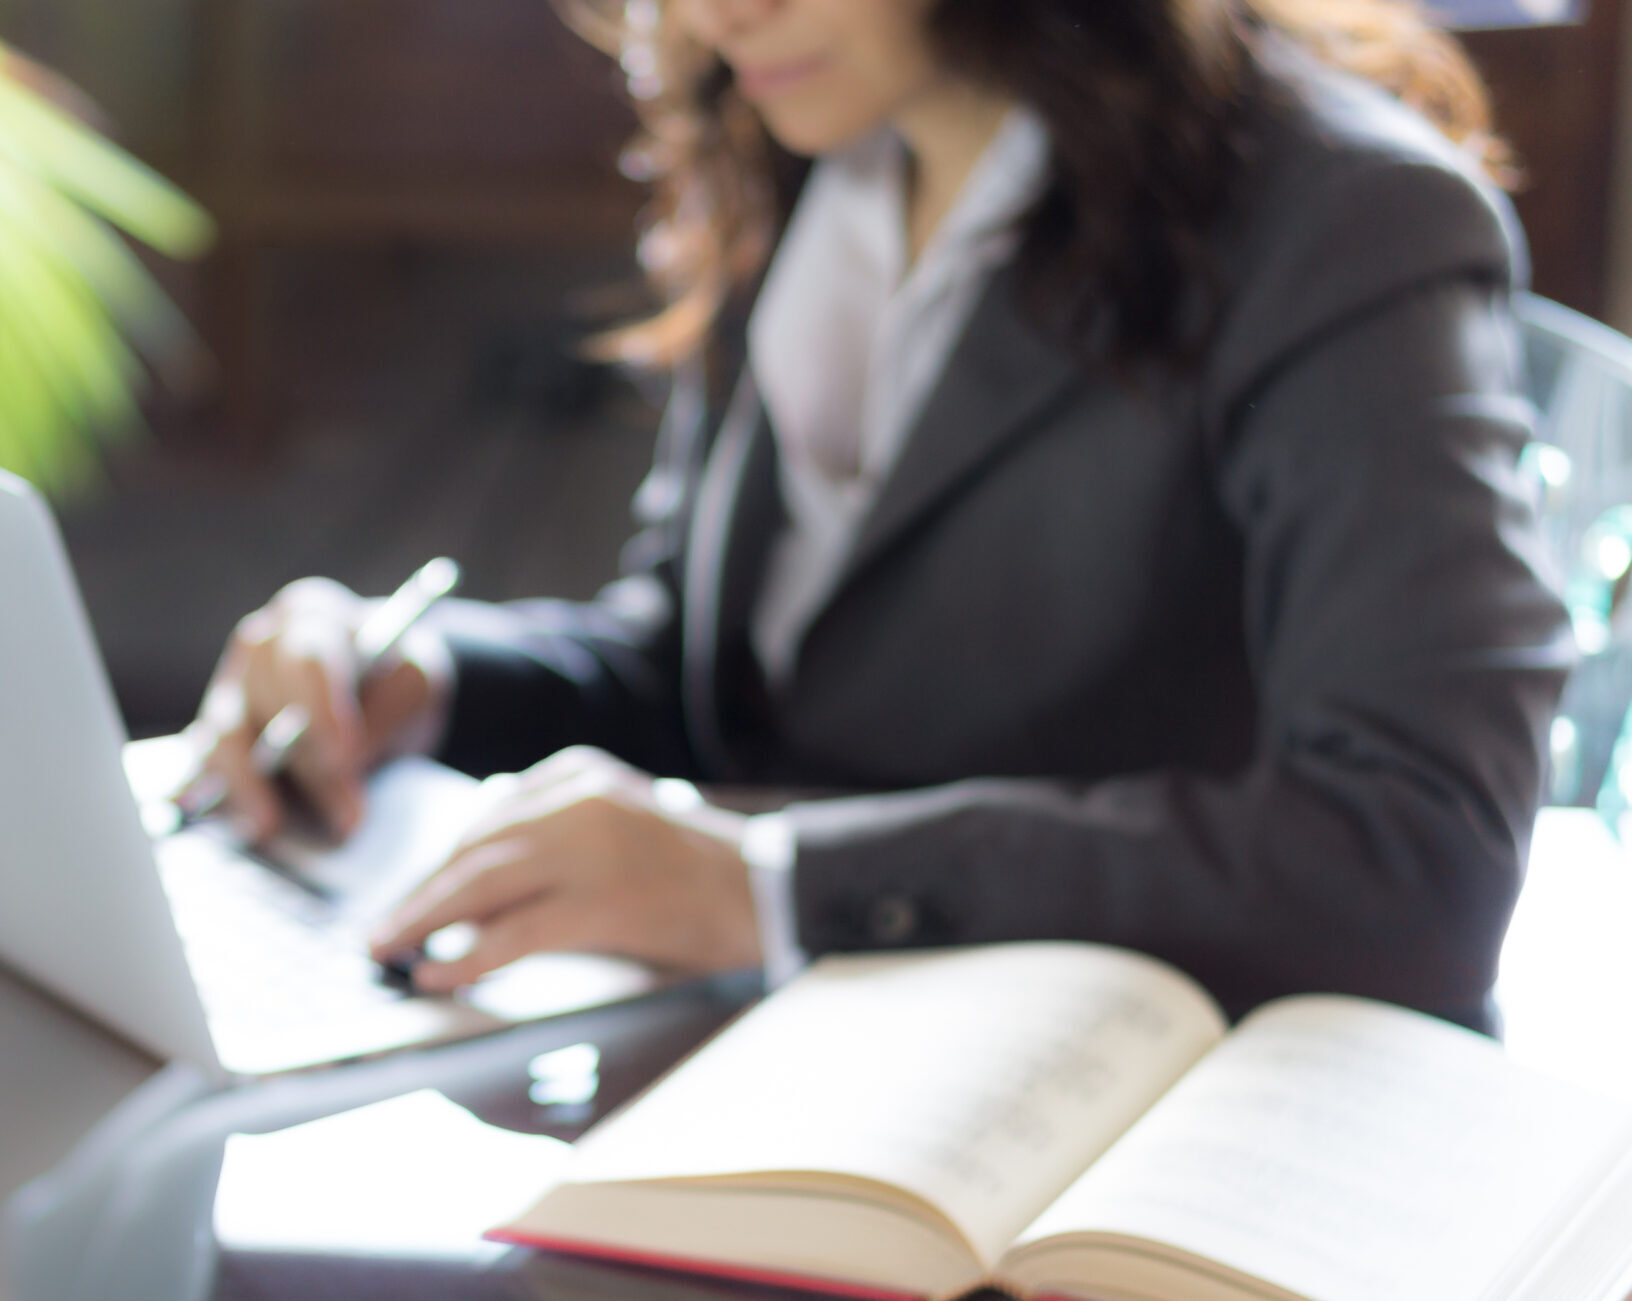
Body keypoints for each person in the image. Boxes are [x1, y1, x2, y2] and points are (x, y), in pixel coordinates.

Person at [186, 0, 1570, 1034]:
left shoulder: (1345, 218)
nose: (718, 14)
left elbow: (1417, 859)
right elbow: (713, 677)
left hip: (1137, 1132)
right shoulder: (819, 145)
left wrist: (769, 884)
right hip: (801, 1057)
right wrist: (425, 676)